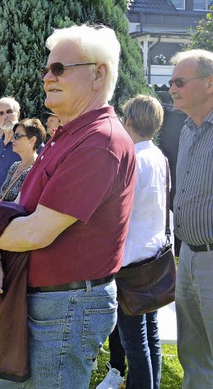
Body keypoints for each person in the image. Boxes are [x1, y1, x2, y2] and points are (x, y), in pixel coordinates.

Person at [0, 25, 136, 388]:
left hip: (66, 308)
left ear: (99, 73)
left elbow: (35, 230)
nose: (48, 77)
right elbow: (17, 211)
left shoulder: (100, 142)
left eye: (60, 69)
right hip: (46, 302)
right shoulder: (68, 135)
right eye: (47, 69)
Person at [97, 95, 167, 389]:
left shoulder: (131, 159)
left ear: (128, 121)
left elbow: (116, 211)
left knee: (134, 340)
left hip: (130, 259)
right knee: (150, 335)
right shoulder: (159, 156)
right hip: (154, 255)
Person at [169, 49, 213, 389]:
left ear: (210, 83)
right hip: (188, 256)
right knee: (192, 352)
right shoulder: (186, 129)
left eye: (180, 82)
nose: (171, 88)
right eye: (171, 81)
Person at [0, 119, 45, 202]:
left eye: (17, 136)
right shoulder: (15, 166)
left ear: (32, 140)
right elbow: (2, 195)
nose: (12, 140)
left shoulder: (37, 170)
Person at [0, 97, 21, 197]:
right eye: (1, 113)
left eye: (9, 111)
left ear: (17, 114)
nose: (6, 116)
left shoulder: (29, 141)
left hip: (17, 207)